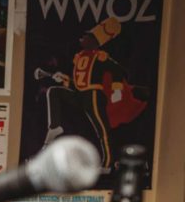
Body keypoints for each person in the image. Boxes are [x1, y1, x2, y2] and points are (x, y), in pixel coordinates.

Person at [40, 17, 147, 172]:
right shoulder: (79, 58)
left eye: (85, 37)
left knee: (102, 131)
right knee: (54, 91)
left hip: (94, 96)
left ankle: (108, 162)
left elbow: (117, 70)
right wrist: (63, 79)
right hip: (80, 95)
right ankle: (55, 126)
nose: (81, 39)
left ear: (94, 40)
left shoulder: (100, 56)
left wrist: (117, 90)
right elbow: (77, 84)